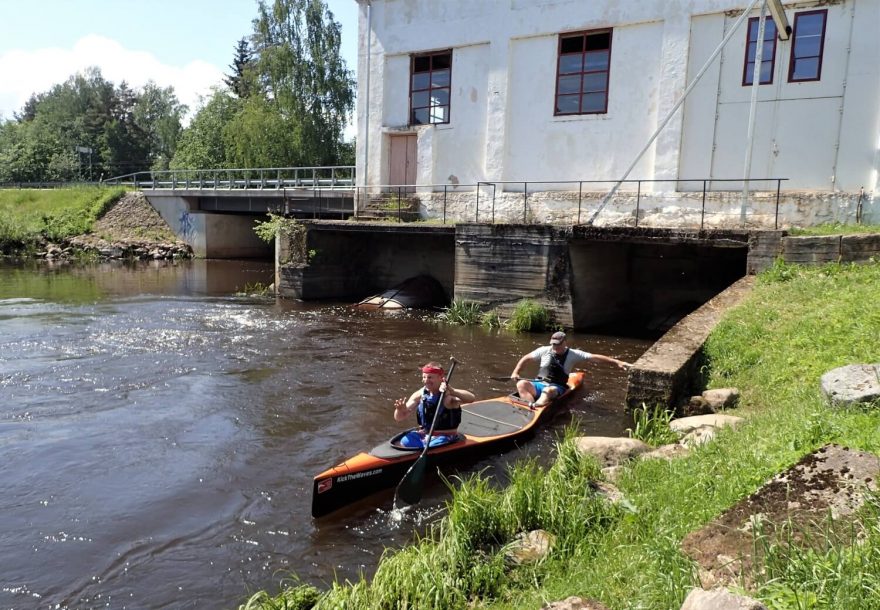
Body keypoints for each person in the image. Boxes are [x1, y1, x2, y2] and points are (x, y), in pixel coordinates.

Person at [510, 331, 631, 408]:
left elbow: (594, 357)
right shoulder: (543, 350)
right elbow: (526, 358)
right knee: (521, 384)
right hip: (539, 383)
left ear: (565, 342)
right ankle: (529, 406)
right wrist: (516, 372)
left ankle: (538, 406)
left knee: (548, 390)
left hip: (556, 387)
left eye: (558, 344)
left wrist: (617, 362)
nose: (555, 347)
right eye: (553, 344)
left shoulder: (573, 354)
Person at [393, 362, 475, 448]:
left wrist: (453, 391)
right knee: (404, 441)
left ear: (441, 378)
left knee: (433, 445)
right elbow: (399, 418)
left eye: (430, 377)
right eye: (424, 377)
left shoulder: (448, 396)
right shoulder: (420, 394)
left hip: (444, 437)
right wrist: (400, 410)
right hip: (424, 435)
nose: (426, 380)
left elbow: (471, 398)